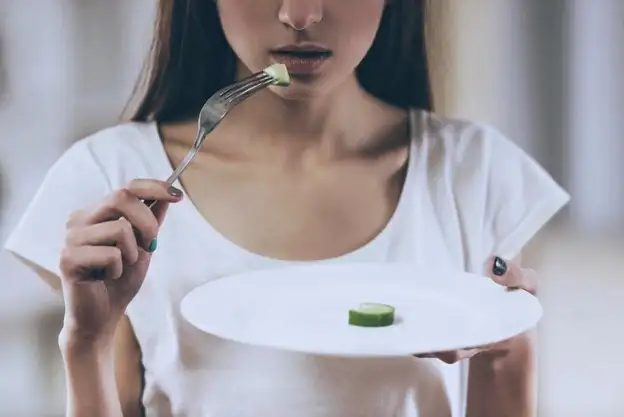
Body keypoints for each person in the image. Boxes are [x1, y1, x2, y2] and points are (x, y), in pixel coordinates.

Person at [4, 0, 570, 416]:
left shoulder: (477, 173)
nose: (301, 14)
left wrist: (507, 350)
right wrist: (86, 343)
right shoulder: (112, 177)